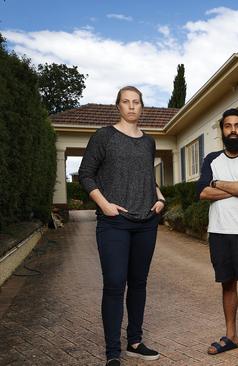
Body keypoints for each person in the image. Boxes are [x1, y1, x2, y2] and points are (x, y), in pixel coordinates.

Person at [79, 86, 166, 366]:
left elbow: (146, 177)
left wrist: (160, 196)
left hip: (146, 223)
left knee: (138, 284)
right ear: (118, 106)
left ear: (142, 107)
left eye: (136, 102)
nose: (131, 106)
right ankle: (112, 352)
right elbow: (86, 174)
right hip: (114, 223)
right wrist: (104, 205)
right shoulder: (104, 136)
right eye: (126, 102)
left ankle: (135, 342)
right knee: (115, 285)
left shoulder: (148, 142)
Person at [196, 108, 238, 366]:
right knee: (227, 284)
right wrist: (233, 186)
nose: (233, 130)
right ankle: (231, 336)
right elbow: (202, 192)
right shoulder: (211, 159)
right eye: (228, 126)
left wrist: (217, 184)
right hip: (219, 232)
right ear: (222, 130)